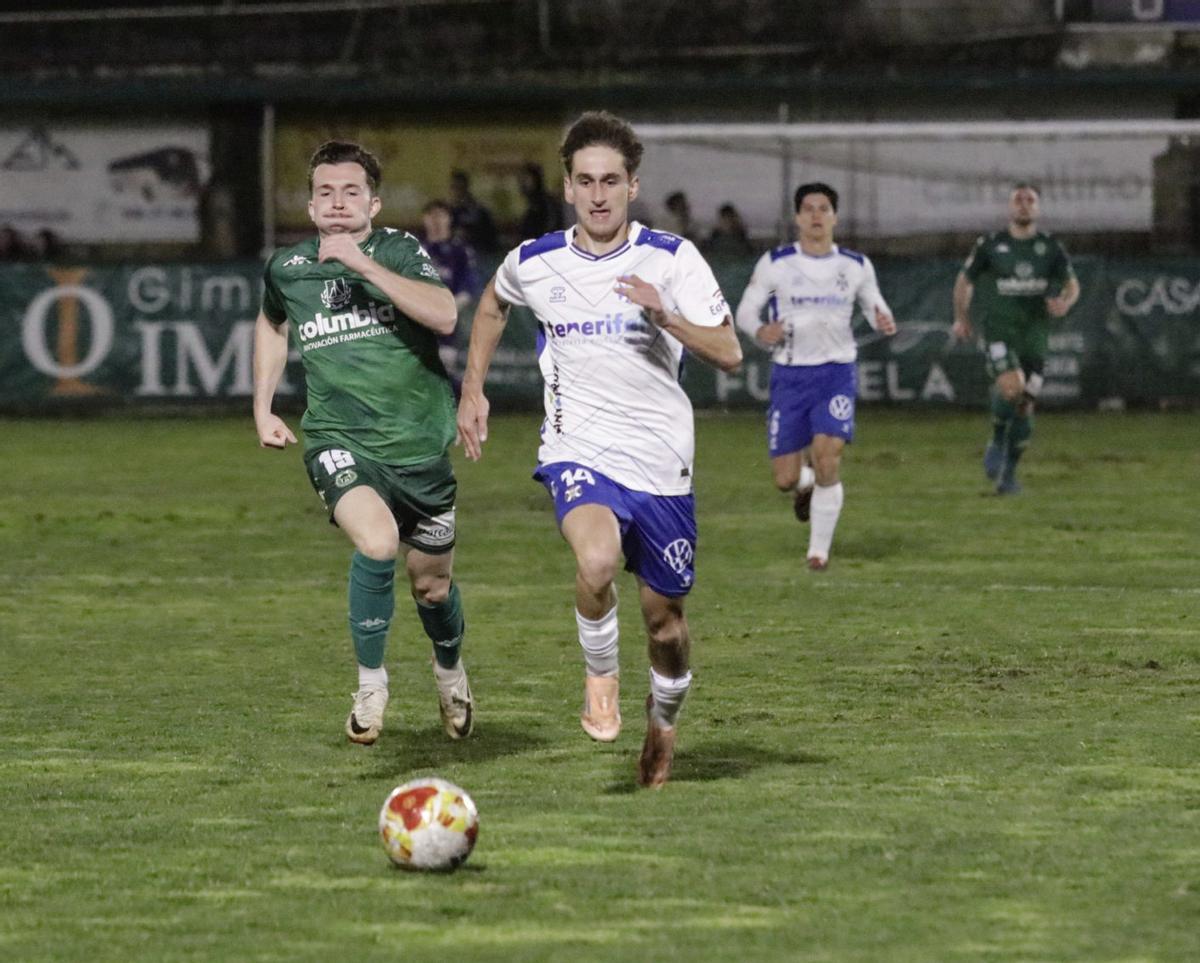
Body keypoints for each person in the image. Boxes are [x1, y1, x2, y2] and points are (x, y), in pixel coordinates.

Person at [456, 111, 742, 789]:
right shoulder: (536, 260)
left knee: (666, 624)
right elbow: (493, 304)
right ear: (567, 187)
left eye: (611, 180)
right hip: (577, 451)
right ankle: (601, 679)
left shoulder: (672, 260)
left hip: (663, 467)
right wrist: (473, 390)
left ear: (632, 185)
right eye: (585, 181)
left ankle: (664, 720)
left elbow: (730, 351)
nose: (598, 194)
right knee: (596, 557)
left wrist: (664, 315)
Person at [253, 141, 474, 747]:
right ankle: (371, 682)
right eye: (326, 192)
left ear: (373, 202)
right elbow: (272, 322)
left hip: (420, 447)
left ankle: (450, 671)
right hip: (338, 440)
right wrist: (263, 406)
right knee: (376, 543)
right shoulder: (289, 268)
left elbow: (444, 316)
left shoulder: (400, 251)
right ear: (310, 203)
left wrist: (365, 266)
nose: (338, 203)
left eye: (351, 192)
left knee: (432, 586)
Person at [735, 182, 896, 571]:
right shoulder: (776, 263)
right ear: (797, 217)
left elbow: (875, 303)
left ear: (835, 217)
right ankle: (802, 480)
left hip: (835, 373)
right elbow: (744, 313)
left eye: (824, 209)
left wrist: (882, 316)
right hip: (790, 377)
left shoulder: (855, 265)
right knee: (784, 479)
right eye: (808, 209)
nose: (816, 216)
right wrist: (760, 332)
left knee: (829, 459)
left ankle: (818, 552)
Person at [952, 183, 1080, 495]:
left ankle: (1009, 476)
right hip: (1000, 331)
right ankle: (996, 437)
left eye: (1030, 200)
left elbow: (1072, 285)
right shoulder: (991, 245)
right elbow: (965, 281)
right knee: (1011, 386)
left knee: (1025, 406)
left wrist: (1065, 301)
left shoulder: (1049, 247)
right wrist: (961, 317)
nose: (1023, 204)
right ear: (1010, 208)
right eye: (1018, 200)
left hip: (1034, 337)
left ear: (1037, 208)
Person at [420, 199, 482, 308]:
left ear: (449, 219)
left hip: (450, 311)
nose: (436, 220)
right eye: (431, 215)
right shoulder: (413, 248)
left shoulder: (460, 250)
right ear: (424, 219)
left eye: (440, 215)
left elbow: (469, 287)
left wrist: (448, 308)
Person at [448, 169, 499, 253]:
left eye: (460, 188)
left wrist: (469, 234)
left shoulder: (479, 211)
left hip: (478, 254)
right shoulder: (447, 212)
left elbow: (489, 239)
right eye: (453, 187)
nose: (456, 192)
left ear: (466, 188)